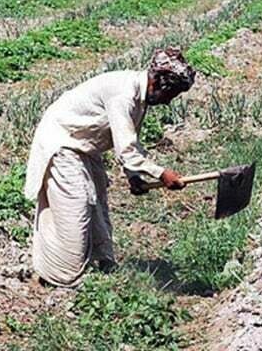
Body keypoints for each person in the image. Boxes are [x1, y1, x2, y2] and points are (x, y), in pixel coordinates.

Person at [25, 48, 195, 287]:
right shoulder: (124, 95)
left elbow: (127, 138)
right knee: (75, 206)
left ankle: (101, 264)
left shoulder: (140, 96)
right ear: (158, 83)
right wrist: (161, 173)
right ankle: (60, 277)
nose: (168, 101)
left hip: (84, 144)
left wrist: (134, 175)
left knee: (97, 203)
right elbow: (126, 150)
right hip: (62, 140)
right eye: (171, 94)